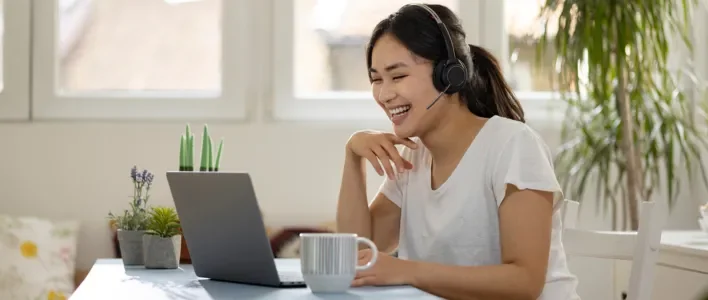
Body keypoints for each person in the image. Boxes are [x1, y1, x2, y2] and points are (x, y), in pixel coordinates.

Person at [335, 3, 581, 300]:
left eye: (397, 76)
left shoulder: (513, 145)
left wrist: (406, 270)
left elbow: (524, 282)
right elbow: (361, 251)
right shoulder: (415, 157)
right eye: (376, 79)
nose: (384, 94)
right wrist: (353, 157)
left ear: (448, 74)